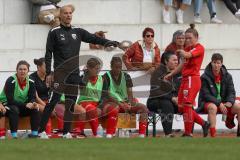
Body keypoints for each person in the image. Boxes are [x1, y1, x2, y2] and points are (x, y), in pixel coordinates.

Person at [38, 4, 119, 139]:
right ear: (60, 15)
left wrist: (108, 42)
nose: (68, 15)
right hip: (60, 74)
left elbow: (93, 38)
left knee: (70, 103)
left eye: (70, 13)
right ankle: (41, 131)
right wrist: (48, 73)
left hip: (74, 74)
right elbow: (48, 53)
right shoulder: (54, 32)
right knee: (53, 101)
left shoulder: (78, 31)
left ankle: (66, 132)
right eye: (65, 13)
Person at [165, 24, 210, 137]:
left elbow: (188, 55)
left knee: (187, 105)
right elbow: (181, 65)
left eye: (190, 38)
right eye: (186, 38)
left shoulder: (199, 47)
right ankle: (203, 123)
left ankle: (188, 133)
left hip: (192, 79)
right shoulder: (186, 49)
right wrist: (170, 74)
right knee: (181, 106)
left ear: (196, 37)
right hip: (185, 79)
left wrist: (180, 51)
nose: (187, 40)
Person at [102, 57, 149, 138]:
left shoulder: (126, 76)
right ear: (111, 66)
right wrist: (120, 104)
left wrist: (129, 103)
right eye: (116, 67)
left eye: (120, 67)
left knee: (143, 108)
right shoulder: (105, 77)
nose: (118, 69)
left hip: (125, 102)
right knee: (114, 109)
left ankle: (142, 135)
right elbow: (107, 95)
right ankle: (110, 133)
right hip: (112, 102)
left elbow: (130, 93)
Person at [198, 53, 240, 137]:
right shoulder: (204, 77)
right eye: (214, 62)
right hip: (207, 103)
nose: (216, 65)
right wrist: (219, 103)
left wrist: (230, 102)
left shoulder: (228, 76)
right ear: (211, 63)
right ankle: (213, 135)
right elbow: (206, 95)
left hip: (224, 103)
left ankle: (239, 135)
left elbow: (231, 92)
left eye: (218, 63)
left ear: (221, 64)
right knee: (213, 107)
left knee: (239, 108)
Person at [0, 60, 40, 138]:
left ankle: (34, 134)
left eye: (25, 69)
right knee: (14, 109)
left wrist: (33, 103)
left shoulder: (31, 81)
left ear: (28, 71)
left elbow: (32, 97)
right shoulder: (11, 80)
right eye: (20, 69)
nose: (22, 71)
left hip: (21, 106)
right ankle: (14, 135)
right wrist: (26, 104)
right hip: (7, 105)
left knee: (35, 108)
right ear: (16, 70)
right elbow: (10, 100)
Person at [147, 51, 180, 137]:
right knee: (167, 104)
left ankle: (188, 133)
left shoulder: (179, 74)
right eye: (174, 60)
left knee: (188, 105)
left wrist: (180, 98)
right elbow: (156, 91)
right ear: (166, 61)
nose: (176, 62)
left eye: (177, 60)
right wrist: (172, 98)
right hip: (154, 101)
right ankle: (168, 134)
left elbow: (182, 89)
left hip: (174, 101)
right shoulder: (157, 73)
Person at [74, 58, 102, 137]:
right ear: (89, 68)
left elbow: (104, 94)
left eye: (99, 69)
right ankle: (96, 135)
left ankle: (79, 130)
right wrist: (86, 74)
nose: (98, 71)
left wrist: (101, 106)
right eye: (96, 69)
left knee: (93, 109)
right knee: (91, 109)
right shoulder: (83, 78)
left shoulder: (101, 78)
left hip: (97, 104)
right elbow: (82, 86)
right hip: (84, 103)